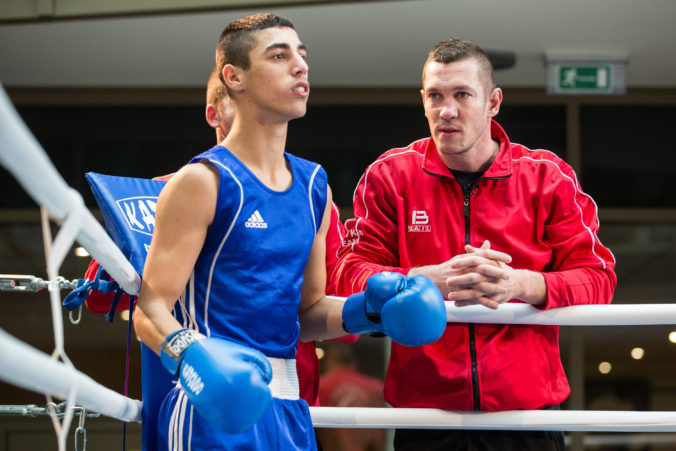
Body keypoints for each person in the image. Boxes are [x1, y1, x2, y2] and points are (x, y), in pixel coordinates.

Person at [133, 13, 446, 451]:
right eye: (279, 56)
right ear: (234, 77)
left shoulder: (314, 186)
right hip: (213, 409)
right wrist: (193, 355)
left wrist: (369, 311)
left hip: (289, 410)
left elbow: (307, 313)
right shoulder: (202, 182)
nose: (300, 66)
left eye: (302, 55)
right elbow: (149, 309)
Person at [332, 37, 617, 451]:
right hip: (427, 418)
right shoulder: (390, 177)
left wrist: (521, 285)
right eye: (435, 96)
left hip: (526, 419)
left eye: (462, 94)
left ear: (493, 102)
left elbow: (598, 279)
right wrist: (415, 281)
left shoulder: (546, 177)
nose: (447, 111)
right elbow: (346, 276)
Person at [317, 343, 386, 451]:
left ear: (330, 361)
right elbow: (381, 434)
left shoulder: (320, 386)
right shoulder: (376, 388)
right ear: (354, 362)